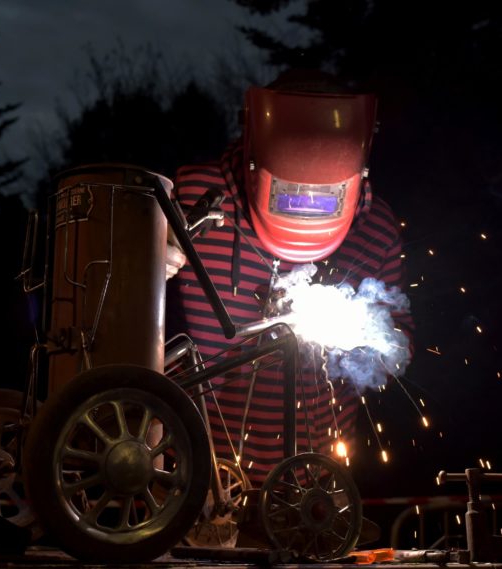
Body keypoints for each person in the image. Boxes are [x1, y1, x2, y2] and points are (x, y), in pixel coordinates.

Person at [165, 68, 415, 491]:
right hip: (188, 481)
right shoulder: (193, 198)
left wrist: (363, 339)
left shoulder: (377, 229)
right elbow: (130, 321)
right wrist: (153, 256)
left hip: (313, 490)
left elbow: (399, 344)